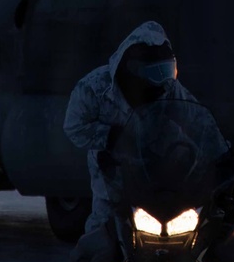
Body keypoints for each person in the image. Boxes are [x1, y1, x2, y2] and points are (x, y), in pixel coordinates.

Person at [63, 21, 196, 235]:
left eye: (167, 70)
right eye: (156, 72)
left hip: (157, 171)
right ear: (135, 70)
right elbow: (73, 127)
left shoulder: (169, 88)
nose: (163, 79)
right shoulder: (94, 88)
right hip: (111, 175)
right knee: (103, 234)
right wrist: (111, 137)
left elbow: (193, 117)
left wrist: (221, 150)